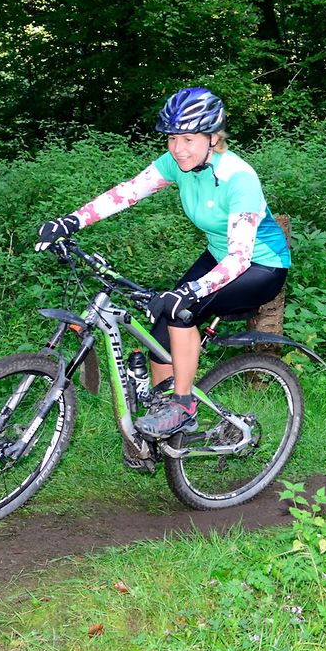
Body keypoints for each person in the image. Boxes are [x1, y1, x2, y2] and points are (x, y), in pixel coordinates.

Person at [35, 87, 291, 437]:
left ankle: (183, 406)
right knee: (160, 337)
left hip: (259, 267)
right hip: (219, 257)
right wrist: (72, 221)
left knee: (180, 311)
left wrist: (190, 291)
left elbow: (239, 258)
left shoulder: (239, 178)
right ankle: (160, 427)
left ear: (213, 138)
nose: (178, 148)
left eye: (188, 139)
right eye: (172, 138)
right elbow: (128, 192)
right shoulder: (178, 163)